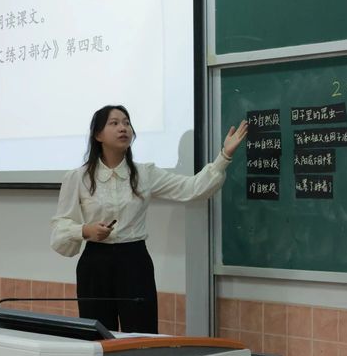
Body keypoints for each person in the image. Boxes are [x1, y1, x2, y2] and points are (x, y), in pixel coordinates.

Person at [50, 105, 247, 333]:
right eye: (114, 123)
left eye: (126, 123)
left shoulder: (145, 173)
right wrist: (85, 230)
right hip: (95, 263)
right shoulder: (78, 177)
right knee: (98, 337)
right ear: (98, 135)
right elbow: (60, 226)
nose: (123, 128)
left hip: (134, 261)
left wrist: (224, 156)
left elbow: (191, 188)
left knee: (142, 333)